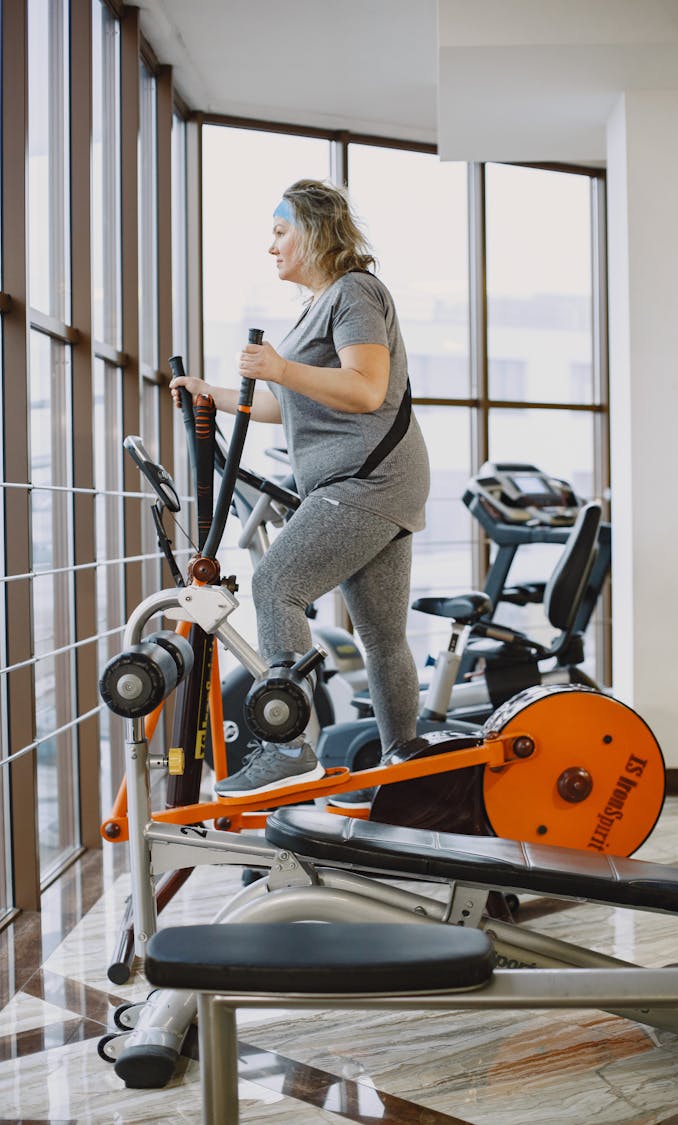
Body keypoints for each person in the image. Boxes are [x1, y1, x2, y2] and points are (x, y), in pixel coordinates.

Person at [170, 178, 430, 798]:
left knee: (274, 583)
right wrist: (215, 394)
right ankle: (407, 760)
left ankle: (287, 746)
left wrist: (279, 368)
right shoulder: (319, 305)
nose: (272, 247)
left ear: (313, 232)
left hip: (365, 479)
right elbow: (284, 404)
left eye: (281, 232)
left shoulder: (355, 292)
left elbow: (366, 388)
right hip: (378, 480)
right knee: (381, 636)